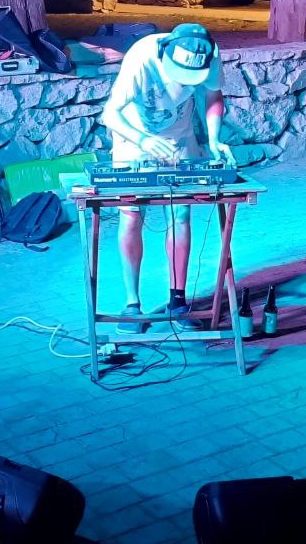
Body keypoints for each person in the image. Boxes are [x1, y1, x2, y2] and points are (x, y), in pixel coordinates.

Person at [100, 23, 235, 333]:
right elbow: (111, 113)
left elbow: (213, 95)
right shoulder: (142, 57)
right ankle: (132, 303)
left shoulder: (210, 53)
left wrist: (213, 139)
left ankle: (178, 300)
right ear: (165, 54)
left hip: (179, 137)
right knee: (131, 215)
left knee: (180, 214)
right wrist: (143, 140)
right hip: (134, 137)